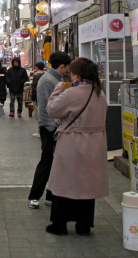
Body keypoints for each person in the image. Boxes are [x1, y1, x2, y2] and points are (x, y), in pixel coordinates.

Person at [45, 58, 109, 236]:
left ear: (77, 74)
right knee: (87, 186)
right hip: (94, 145)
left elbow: (52, 110)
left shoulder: (72, 93)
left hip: (72, 144)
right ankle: (84, 225)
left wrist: (57, 90)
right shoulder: (99, 93)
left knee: (64, 185)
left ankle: (59, 225)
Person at [28, 51, 71, 209]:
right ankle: (34, 196)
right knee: (46, 161)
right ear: (61, 66)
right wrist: (51, 127)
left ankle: (51, 196)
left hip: (57, 128)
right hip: (50, 128)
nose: (68, 70)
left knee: (56, 163)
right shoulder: (47, 80)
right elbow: (44, 107)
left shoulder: (57, 79)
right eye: (67, 67)